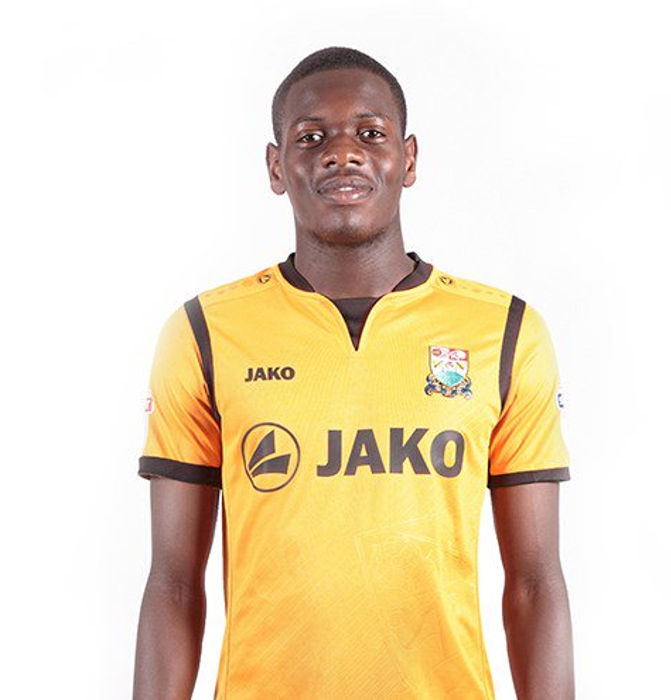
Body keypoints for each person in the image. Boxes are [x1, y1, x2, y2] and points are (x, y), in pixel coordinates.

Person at [133, 46, 574, 699]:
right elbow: (173, 583)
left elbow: (535, 582)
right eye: (312, 138)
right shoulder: (205, 332)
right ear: (276, 167)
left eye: (370, 133)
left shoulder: (505, 332)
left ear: (409, 159)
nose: (343, 152)